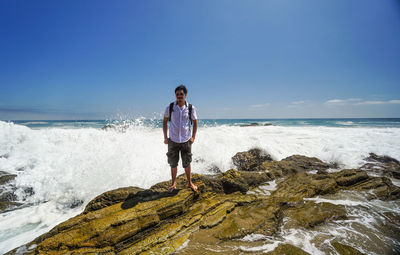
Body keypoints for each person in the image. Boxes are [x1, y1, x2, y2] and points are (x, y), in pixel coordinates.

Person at [163, 85, 198, 192]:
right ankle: (173, 184)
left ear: (185, 95)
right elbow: (164, 122)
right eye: (177, 94)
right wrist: (165, 137)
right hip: (173, 140)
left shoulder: (191, 108)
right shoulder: (170, 107)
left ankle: (189, 183)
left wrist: (193, 137)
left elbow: (195, 123)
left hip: (186, 140)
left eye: (181, 94)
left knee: (187, 163)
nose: (179, 96)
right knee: (173, 163)